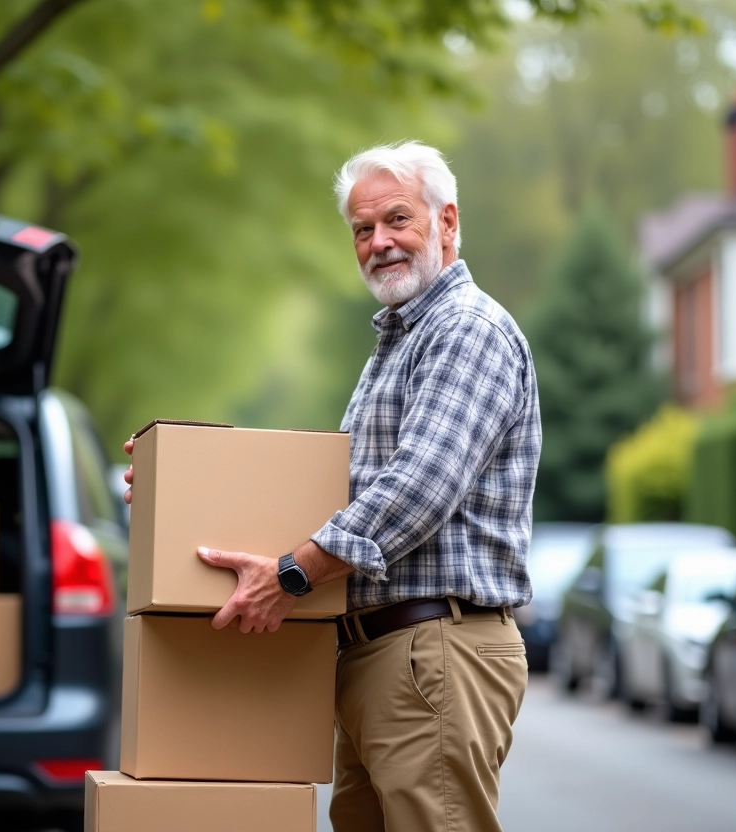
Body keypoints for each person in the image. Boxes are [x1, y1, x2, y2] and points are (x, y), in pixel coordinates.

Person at [123, 140, 540, 832]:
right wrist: (184, 483)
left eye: (397, 220)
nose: (379, 242)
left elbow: (417, 489)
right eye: (362, 229)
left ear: (447, 222)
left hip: (432, 652)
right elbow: (335, 488)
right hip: (379, 654)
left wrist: (290, 576)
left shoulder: (465, 331)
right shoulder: (402, 342)